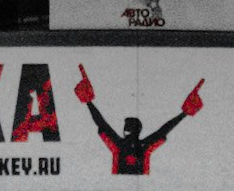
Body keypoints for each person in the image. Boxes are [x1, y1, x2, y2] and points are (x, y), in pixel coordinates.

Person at [74, 65, 204, 177]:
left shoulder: (119, 145)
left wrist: (89, 103)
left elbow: (102, 124)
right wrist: (184, 114)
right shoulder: (143, 146)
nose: (127, 133)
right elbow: (163, 131)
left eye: (128, 130)